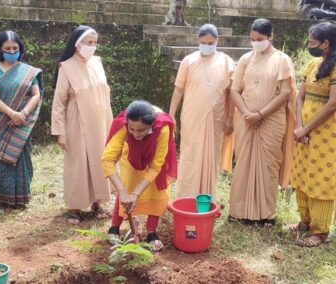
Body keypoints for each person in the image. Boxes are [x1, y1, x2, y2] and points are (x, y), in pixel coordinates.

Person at [229, 18, 296, 226]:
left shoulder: (282, 59)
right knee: (243, 163)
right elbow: (234, 90)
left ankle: (267, 214)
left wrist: (260, 115)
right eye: (252, 39)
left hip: (271, 120)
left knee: (268, 165)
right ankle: (239, 211)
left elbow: (285, 94)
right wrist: (248, 114)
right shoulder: (245, 59)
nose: (255, 42)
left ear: (270, 37)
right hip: (245, 119)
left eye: (260, 39)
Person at [51, 25, 113, 224]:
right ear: (78, 45)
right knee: (78, 164)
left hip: (100, 123)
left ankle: (98, 203)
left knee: (100, 160)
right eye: (89, 42)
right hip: (76, 122)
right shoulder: (67, 66)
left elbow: (104, 93)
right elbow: (59, 101)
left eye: (95, 42)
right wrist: (60, 132)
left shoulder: (97, 62)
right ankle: (75, 207)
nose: (92, 46)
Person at [169, 23, 235, 199]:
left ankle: (207, 197)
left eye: (211, 42)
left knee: (211, 158)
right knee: (190, 155)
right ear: (198, 41)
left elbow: (231, 93)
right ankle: (185, 197)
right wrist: (171, 115)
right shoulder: (188, 61)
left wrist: (230, 118)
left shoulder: (226, 61)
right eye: (204, 42)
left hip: (217, 118)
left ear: (217, 41)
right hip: (192, 116)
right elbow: (178, 90)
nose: (207, 45)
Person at [102, 100, 177, 252]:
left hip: (154, 159)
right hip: (131, 157)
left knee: (157, 189)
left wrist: (136, 194)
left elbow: (156, 166)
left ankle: (151, 232)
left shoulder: (162, 128)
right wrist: (123, 192)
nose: (136, 134)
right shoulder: (123, 125)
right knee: (127, 186)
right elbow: (107, 159)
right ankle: (114, 228)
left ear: (151, 125)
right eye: (132, 129)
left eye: (141, 130)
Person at [288, 22, 336, 246]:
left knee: (321, 178)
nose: (310, 46)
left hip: (327, 134)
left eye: (312, 42)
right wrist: (300, 126)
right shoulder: (312, 64)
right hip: (304, 132)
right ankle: (304, 221)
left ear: (326, 44)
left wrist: (306, 128)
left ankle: (320, 231)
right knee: (302, 173)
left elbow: (333, 104)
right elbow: (299, 96)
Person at [0, 31, 43, 208]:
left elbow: (36, 95)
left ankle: (22, 197)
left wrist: (23, 114)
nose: (11, 51)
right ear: (0, 49)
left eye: (15, 48)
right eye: (7, 48)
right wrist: (12, 114)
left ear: (20, 48)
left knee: (22, 157)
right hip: (0, 120)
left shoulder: (28, 71)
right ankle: (2, 198)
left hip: (21, 123)